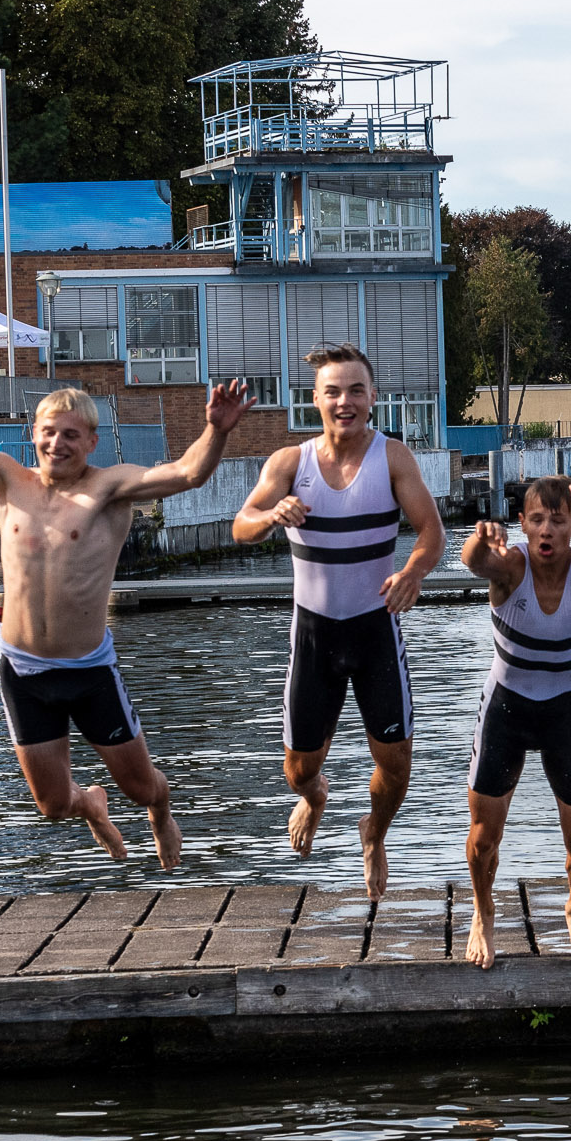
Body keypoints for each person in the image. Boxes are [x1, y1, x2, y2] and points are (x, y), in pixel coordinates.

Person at [0, 324, 245, 865]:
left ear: (91, 442)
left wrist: (217, 431)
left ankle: (160, 813)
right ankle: (91, 804)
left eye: (71, 435)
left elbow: (187, 474)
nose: (57, 443)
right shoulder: (7, 479)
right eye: (49, 432)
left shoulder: (110, 488)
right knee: (50, 807)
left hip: (89, 671)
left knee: (141, 788)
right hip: (21, 669)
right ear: (34, 435)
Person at [231, 343, 446, 898]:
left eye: (355, 390)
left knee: (397, 766)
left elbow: (431, 533)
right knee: (298, 771)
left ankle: (374, 833)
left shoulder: (393, 458)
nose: (344, 401)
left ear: (372, 398)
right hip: (315, 637)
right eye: (333, 391)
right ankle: (316, 798)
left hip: (375, 630)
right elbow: (241, 524)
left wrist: (413, 573)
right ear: (316, 400)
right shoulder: (289, 464)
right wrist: (270, 516)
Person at [459, 458, 571, 970]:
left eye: (558, 521)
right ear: (523, 523)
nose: (547, 530)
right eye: (537, 519)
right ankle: (483, 909)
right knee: (482, 838)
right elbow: (472, 560)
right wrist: (481, 537)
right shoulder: (510, 565)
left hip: (564, 713)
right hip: (506, 711)